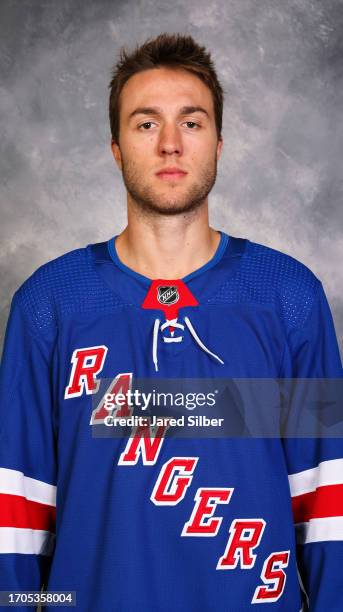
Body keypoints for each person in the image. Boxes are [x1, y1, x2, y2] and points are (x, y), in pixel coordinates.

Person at [0, 32, 342, 612]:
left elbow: (327, 504)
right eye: (145, 123)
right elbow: (18, 521)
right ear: (115, 147)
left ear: (218, 142)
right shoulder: (49, 305)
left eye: (191, 122)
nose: (170, 145)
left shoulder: (289, 298)